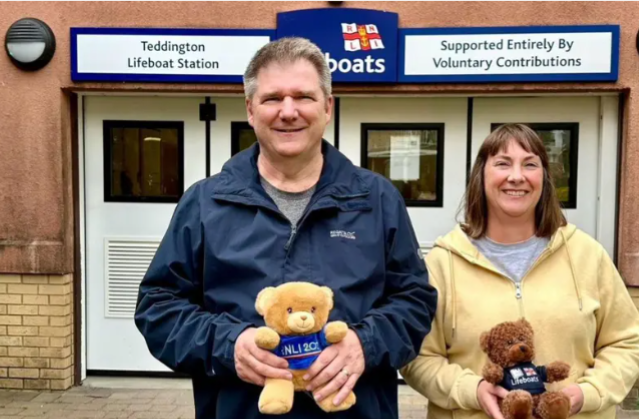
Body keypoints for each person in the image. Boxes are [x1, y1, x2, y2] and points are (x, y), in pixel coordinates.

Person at [134, 37, 437, 419]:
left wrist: (366, 343)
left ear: (327, 107)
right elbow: (158, 308)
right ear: (250, 109)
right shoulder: (205, 203)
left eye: (304, 97)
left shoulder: (377, 199)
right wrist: (228, 345)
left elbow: (415, 301)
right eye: (273, 98)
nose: (288, 111)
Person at [399, 124, 639, 419]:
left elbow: (627, 343)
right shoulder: (442, 263)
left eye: (530, 164)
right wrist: (472, 389)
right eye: (503, 163)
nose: (516, 176)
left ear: (544, 178)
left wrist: (587, 394)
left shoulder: (587, 254)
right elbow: (416, 357)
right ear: (482, 175)